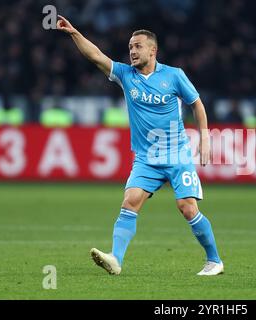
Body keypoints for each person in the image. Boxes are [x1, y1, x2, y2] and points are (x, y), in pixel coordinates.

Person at [56, 15, 223, 276]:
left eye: (138, 46)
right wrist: (74, 32)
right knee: (130, 201)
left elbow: (197, 104)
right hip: (146, 157)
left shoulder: (174, 76)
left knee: (187, 208)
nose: (132, 51)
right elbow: (96, 56)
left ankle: (214, 260)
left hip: (176, 153)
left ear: (152, 50)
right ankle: (115, 259)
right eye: (130, 47)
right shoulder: (125, 74)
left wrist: (205, 139)